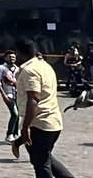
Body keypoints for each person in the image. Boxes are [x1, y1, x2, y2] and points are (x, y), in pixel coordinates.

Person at [12, 39, 74, 178]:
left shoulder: (30, 70)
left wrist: (25, 127)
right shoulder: (44, 65)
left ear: (20, 53)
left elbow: (33, 99)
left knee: (41, 165)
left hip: (40, 123)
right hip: (52, 122)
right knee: (45, 158)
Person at [0, 50, 20, 142]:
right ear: (5, 58)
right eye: (10, 57)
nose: (12, 58)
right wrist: (4, 95)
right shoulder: (0, 68)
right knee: (15, 114)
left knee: (18, 114)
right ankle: (9, 134)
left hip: (17, 93)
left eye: (13, 57)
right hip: (8, 94)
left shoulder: (17, 69)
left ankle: (15, 134)